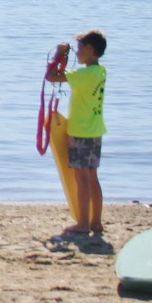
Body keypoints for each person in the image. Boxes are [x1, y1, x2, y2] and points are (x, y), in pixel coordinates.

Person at [47, 29, 107, 235]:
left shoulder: (83, 75)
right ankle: (96, 222)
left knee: (82, 179)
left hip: (81, 131)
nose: (77, 52)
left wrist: (58, 55)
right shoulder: (100, 71)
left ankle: (83, 223)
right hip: (95, 130)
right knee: (92, 177)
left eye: (80, 48)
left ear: (90, 49)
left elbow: (51, 77)